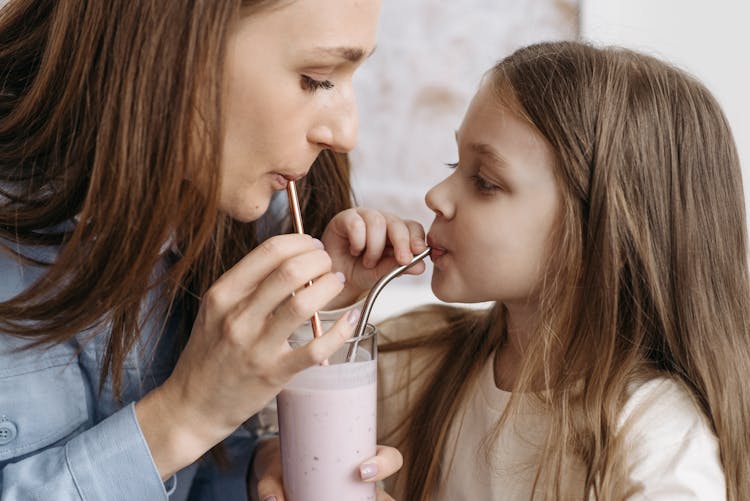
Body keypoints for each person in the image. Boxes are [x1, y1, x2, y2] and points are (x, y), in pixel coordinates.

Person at [254, 41, 750, 500]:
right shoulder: (423, 356)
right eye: (454, 164)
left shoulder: (656, 434)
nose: (436, 197)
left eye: (485, 181)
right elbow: (261, 419)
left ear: (605, 230)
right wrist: (334, 295)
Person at [0, 0, 422, 499]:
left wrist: (255, 468)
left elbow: (195, 475)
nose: (345, 135)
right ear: (169, 37)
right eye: (316, 77)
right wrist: (188, 415)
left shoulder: (239, 208)